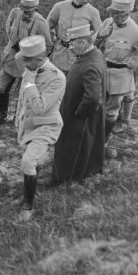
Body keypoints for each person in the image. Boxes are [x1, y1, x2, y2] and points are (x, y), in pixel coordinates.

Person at [14, 36, 66, 220]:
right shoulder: (30, 68)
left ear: (41, 56)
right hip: (28, 125)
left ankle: (28, 205)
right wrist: (17, 120)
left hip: (46, 125)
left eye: (27, 59)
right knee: (31, 160)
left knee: (27, 162)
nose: (24, 63)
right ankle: (28, 193)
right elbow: (23, 99)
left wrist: (29, 82)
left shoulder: (57, 78)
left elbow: (39, 107)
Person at [54, 24, 106, 183]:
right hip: (74, 111)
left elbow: (92, 98)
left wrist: (78, 114)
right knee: (80, 145)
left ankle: (68, 179)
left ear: (83, 42)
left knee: (74, 147)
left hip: (79, 117)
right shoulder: (92, 55)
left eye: (72, 43)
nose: (70, 47)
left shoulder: (91, 65)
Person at [95, 0, 138, 142]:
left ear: (128, 13)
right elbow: (92, 44)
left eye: (119, 14)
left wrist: (134, 64)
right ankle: (97, 130)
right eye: (113, 13)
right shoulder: (107, 22)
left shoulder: (136, 32)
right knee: (100, 102)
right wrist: (100, 36)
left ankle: (103, 140)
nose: (115, 17)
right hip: (103, 70)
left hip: (121, 74)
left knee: (113, 108)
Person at [0, 0, 52, 124]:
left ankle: (19, 119)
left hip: (28, 62)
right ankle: (1, 116)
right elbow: (8, 27)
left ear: (36, 9)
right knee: (3, 88)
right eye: (24, 9)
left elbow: (48, 46)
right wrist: (12, 42)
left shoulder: (41, 23)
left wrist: (36, 60)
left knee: (24, 92)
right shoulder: (15, 13)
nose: (25, 12)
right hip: (11, 57)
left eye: (29, 10)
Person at [47, 0, 102, 75]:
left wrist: (88, 44)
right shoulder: (59, 7)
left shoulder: (93, 12)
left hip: (81, 56)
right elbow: (48, 26)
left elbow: (99, 32)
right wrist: (52, 40)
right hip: (60, 54)